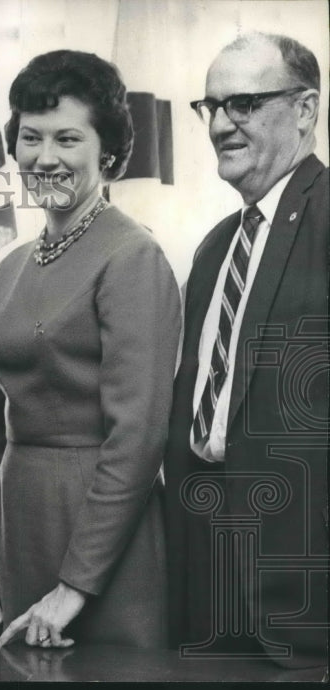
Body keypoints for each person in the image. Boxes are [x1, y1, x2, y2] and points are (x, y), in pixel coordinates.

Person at [0, 50, 181, 652]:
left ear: (105, 150)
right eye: (31, 137)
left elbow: (137, 438)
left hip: (102, 536)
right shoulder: (10, 267)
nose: (45, 157)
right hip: (20, 522)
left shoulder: (133, 256)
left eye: (67, 137)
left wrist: (72, 587)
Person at [166, 33, 328, 667]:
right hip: (210, 582)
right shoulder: (214, 249)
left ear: (306, 109)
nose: (221, 124)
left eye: (245, 104)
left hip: (306, 591)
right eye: (211, 107)